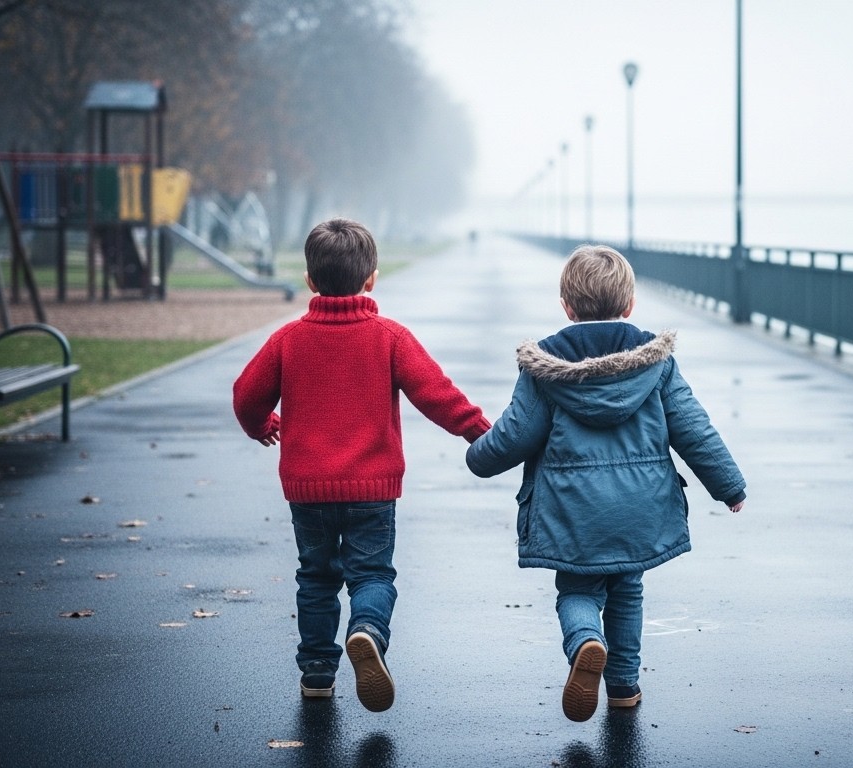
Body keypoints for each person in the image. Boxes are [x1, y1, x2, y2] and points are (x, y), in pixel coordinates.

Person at [466, 244, 746, 722]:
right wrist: (729, 485)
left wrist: (478, 457)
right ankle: (622, 688)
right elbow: (692, 427)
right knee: (628, 589)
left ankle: (584, 643)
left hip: (572, 511)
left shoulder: (544, 369)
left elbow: (517, 434)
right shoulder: (655, 363)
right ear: (629, 305)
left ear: (567, 307)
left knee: (578, 591)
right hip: (641, 507)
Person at [233, 218, 490, 709]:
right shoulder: (389, 337)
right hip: (373, 489)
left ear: (310, 279)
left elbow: (246, 396)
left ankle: (316, 673)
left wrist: (263, 425)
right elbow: (436, 395)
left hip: (307, 489)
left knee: (316, 577)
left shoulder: (288, 340)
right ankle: (368, 630)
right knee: (372, 575)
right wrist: (482, 432)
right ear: (371, 277)